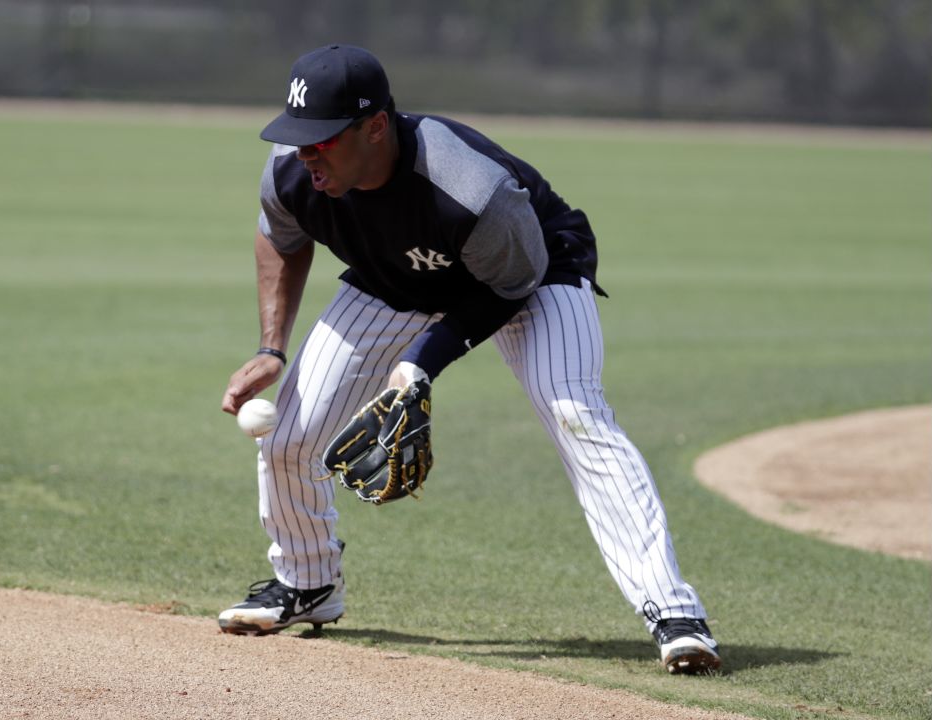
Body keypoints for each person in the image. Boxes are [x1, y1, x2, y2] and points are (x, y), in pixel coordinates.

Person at [218, 44, 721, 674]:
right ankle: (307, 584)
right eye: (298, 137)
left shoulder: (468, 187)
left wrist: (422, 360)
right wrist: (271, 346)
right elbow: (280, 239)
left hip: (531, 275)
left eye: (322, 139)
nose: (306, 152)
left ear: (376, 126)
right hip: (395, 279)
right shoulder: (293, 172)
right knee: (291, 437)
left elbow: (509, 285)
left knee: (576, 415)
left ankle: (673, 613)